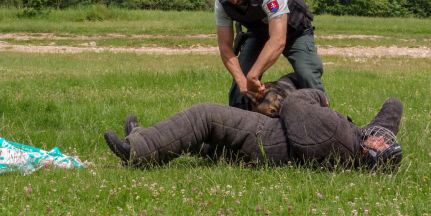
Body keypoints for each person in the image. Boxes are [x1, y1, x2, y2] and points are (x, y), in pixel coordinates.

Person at [104, 89, 403, 171]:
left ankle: (139, 151)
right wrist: (389, 115)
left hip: (263, 136)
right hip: (273, 148)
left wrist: (318, 97)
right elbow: (392, 109)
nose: (379, 135)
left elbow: (293, 106)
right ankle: (142, 135)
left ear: (370, 148)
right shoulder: (362, 146)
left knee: (205, 115)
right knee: (208, 146)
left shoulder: (334, 131)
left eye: (379, 141)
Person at [214, 0, 324, 109]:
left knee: (307, 74)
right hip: (259, 33)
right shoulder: (222, 3)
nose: (233, 0)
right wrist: (242, 80)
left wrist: (253, 76)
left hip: (296, 31)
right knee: (240, 82)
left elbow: (278, 41)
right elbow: (225, 47)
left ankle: (327, 120)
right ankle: (239, 125)